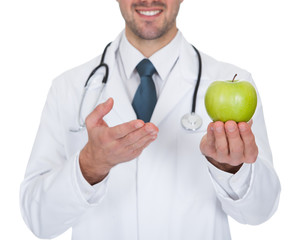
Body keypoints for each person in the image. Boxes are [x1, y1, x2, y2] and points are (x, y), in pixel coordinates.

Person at [20, 0, 281, 239]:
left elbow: (261, 211)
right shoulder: (69, 88)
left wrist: (231, 170)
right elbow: (39, 220)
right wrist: (89, 166)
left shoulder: (234, 79)